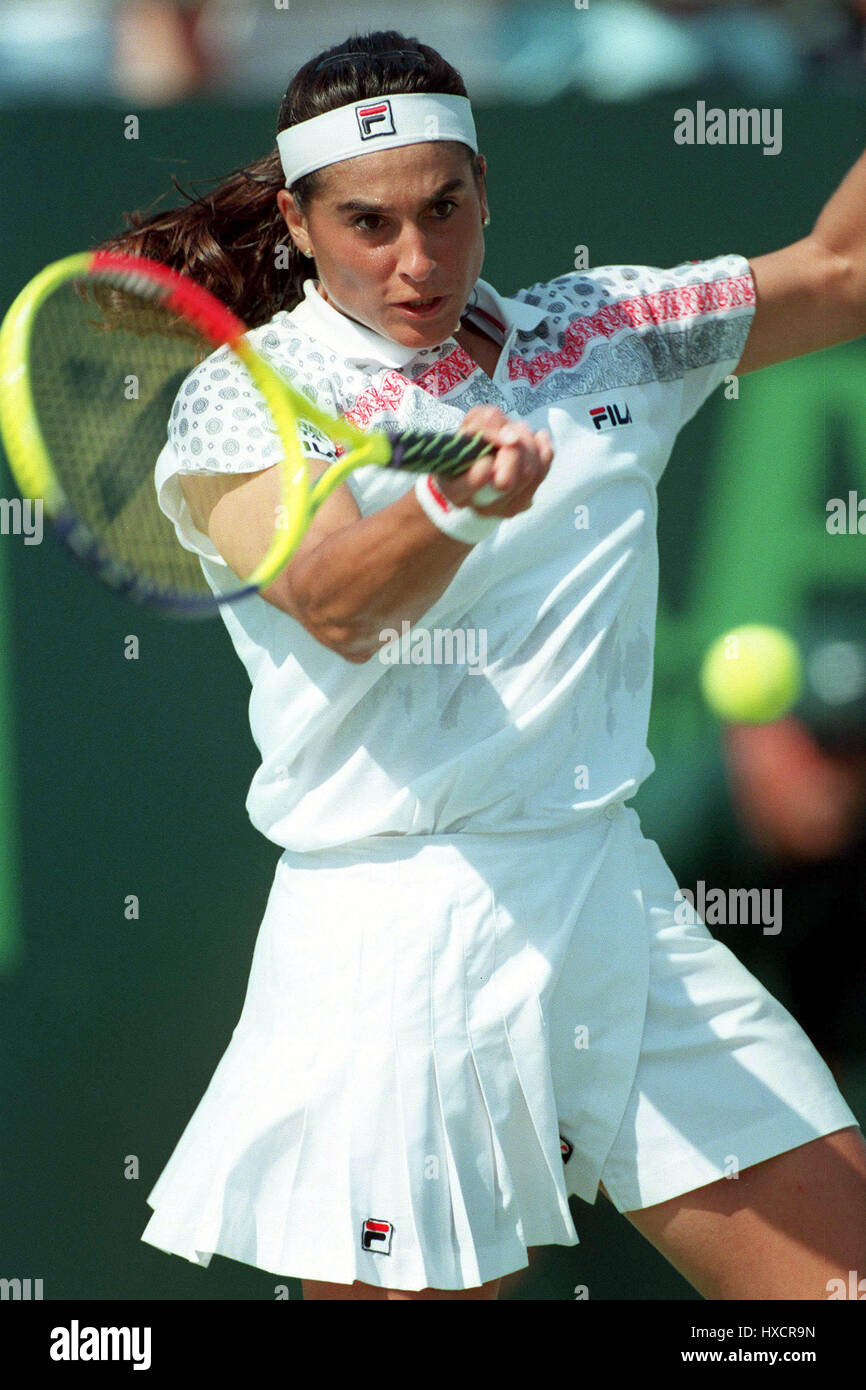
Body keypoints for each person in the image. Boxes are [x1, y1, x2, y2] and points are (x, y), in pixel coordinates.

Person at [121, 29, 866, 1300]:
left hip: (607, 897)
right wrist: (456, 502)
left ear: (484, 193)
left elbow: (843, 271)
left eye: (443, 210)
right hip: (395, 942)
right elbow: (330, 600)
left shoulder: (606, 330)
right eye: (367, 223)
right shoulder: (248, 396)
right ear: (298, 224)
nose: (415, 260)